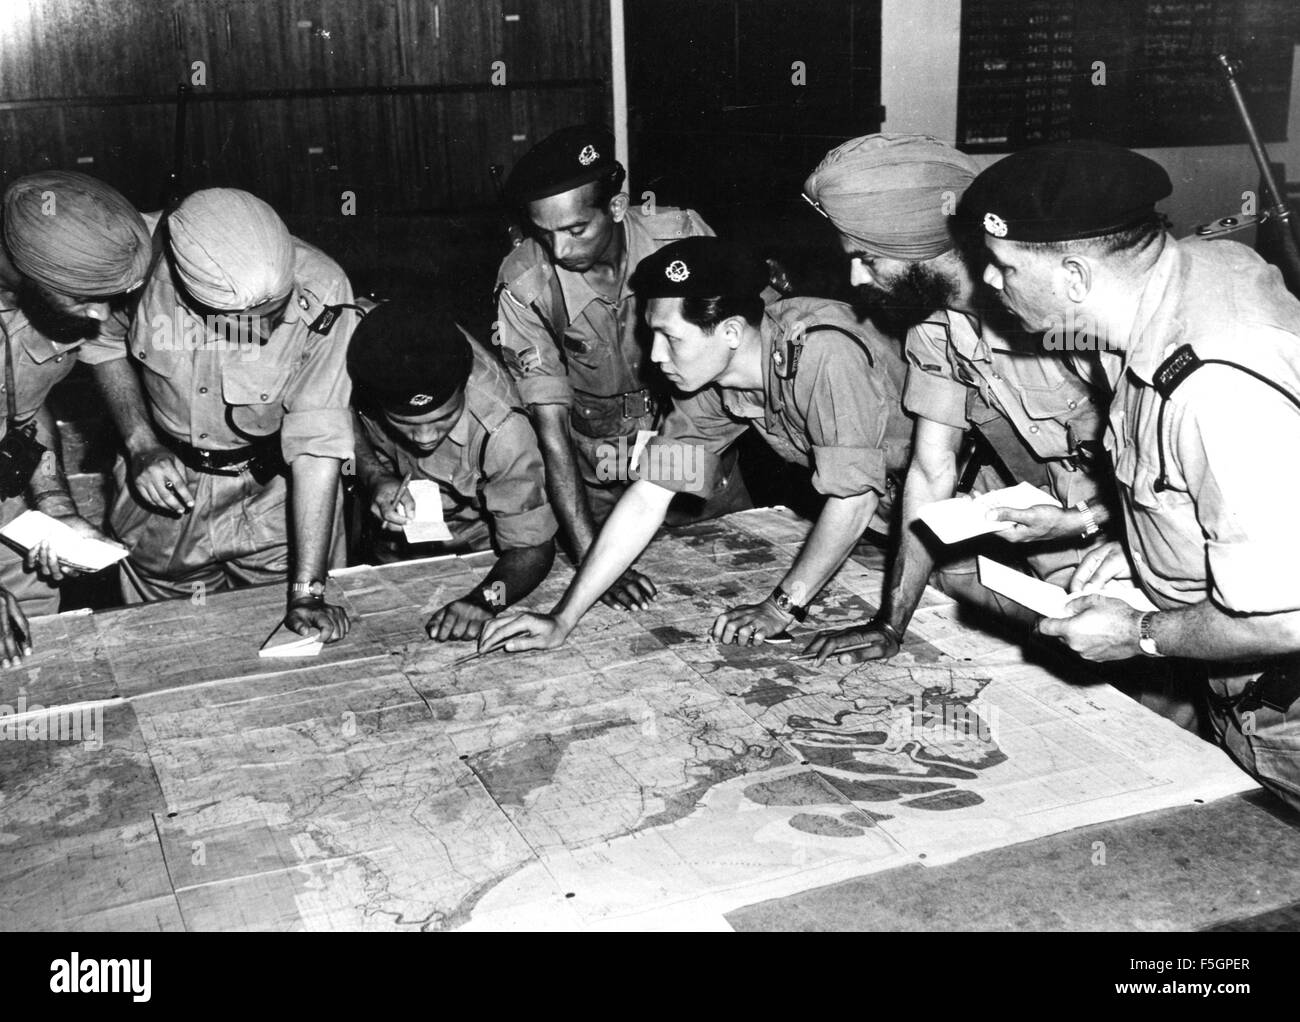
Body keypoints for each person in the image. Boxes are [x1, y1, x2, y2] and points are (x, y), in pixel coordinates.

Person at [965, 138, 1300, 811]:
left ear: (1075, 279)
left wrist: (1138, 633)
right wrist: (1141, 544)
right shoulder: (1190, 278)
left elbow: (1285, 619)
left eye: (1003, 268)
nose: (989, 286)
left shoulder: (1213, 385)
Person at [479, 236, 911, 653]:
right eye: (653, 336)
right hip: (877, 523)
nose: (655, 357)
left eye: (672, 338)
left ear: (730, 332)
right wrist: (563, 618)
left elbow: (853, 500)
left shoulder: (822, 353)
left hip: (946, 507)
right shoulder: (712, 384)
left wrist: (780, 608)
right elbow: (650, 496)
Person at [797, 134, 1119, 674]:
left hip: (1137, 537)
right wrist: (889, 622)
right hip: (1056, 531)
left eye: (866, 258)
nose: (855, 278)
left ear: (919, 243)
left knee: (1162, 711)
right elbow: (930, 470)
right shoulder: (935, 327)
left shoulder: (1057, 312)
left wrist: (1081, 520)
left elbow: (1177, 473)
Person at [494, 125, 748, 613]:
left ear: (615, 207)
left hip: (691, 443)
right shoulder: (526, 283)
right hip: (598, 473)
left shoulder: (680, 238)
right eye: (544, 234)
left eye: (574, 230)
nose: (560, 251)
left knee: (737, 574)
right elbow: (551, 432)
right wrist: (595, 557)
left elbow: (737, 348)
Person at [86, 188, 355, 644]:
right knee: (170, 647)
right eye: (247, 318)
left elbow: (317, 443)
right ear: (191, 296)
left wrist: (308, 591)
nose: (268, 331)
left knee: (302, 646)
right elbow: (102, 343)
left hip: (276, 497)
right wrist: (139, 443)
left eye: (276, 311)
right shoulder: (133, 262)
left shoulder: (324, 289)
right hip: (165, 493)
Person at [0, 170, 148, 663]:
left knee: (36, 663)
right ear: (28, 270)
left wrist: (55, 505)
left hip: (9, 512)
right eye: (84, 297)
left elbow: (25, 406)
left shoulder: (46, 303)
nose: (102, 317)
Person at [347, 300, 557, 642]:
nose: (426, 438)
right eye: (405, 423)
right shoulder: (356, 344)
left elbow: (534, 549)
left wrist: (486, 600)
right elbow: (329, 410)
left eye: (443, 418)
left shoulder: (503, 431)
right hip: (390, 544)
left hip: (479, 552)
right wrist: (373, 476)